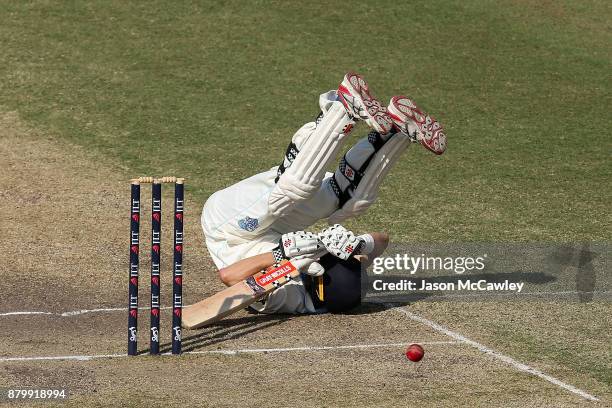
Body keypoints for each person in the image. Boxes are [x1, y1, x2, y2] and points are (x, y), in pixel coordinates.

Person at [200, 72, 446, 314]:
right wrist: (357, 245)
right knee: (350, 201)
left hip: (227, 228)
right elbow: (382, 240)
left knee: (291, 192)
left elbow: (229, 275)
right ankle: (396, 131)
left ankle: (340, 108)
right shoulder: (335, 279)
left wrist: (283, 255)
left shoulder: (288, 296)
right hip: (276, 228)